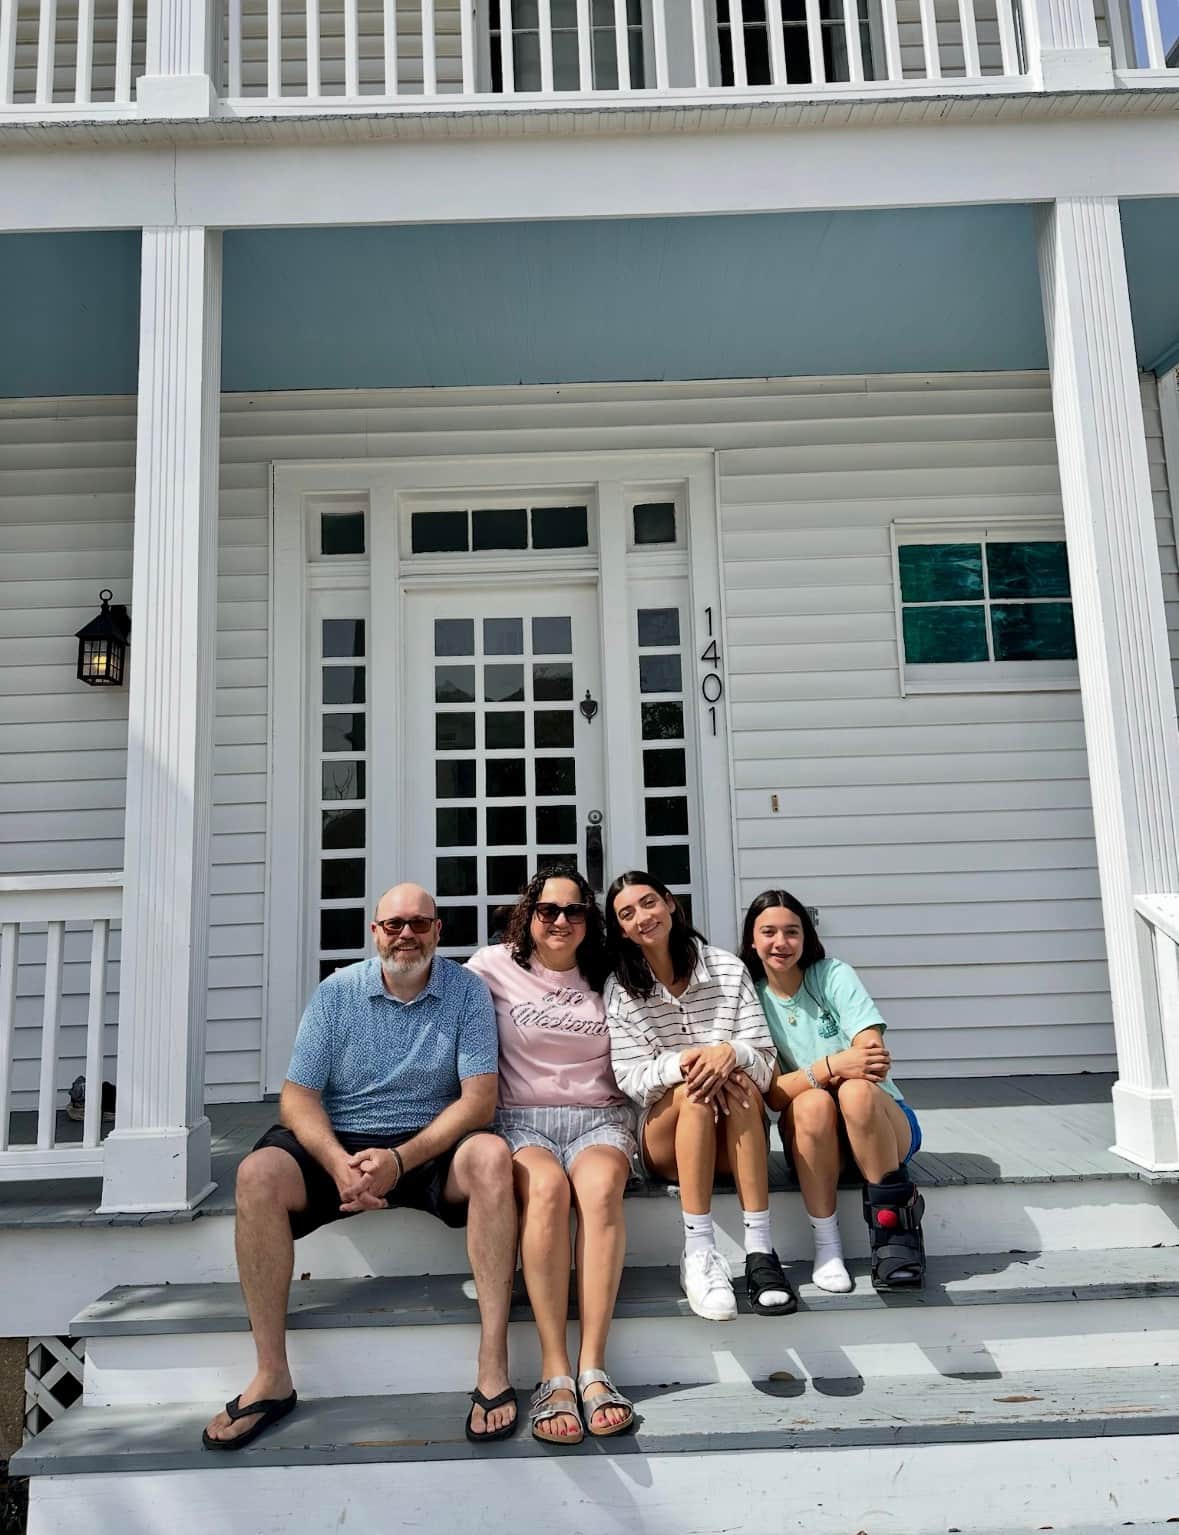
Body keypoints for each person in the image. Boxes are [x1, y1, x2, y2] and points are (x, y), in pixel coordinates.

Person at [202, 883, 519, 1451]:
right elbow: (297, 1098)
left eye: (420, 924)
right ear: (374, 931)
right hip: (342, 1141)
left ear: (438, 932)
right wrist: (336, 1161)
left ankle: (492, 1365)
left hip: (429, 1143)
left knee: (493, 1155)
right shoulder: (336, 994)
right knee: (256, 1175)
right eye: (394, 923)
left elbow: (478, 1102)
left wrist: (400, 1161)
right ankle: (272, 1375)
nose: (407, 934)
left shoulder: (467, 993)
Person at [466, 866, 636, 1446]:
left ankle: (593, 1369)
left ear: (591, 921)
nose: (561, 921)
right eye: (548, 910)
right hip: (521, 1121)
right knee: (546, 1190)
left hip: (598, 1119)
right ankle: (553, 1371)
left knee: (598, 1189)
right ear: (528, 916)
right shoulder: (492, 967)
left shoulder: (612, 973)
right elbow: (435, 1003)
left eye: (575, 911)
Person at [603, 870, 795, 1323]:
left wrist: (730, 1053)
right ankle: (700, 1251)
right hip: (666, 1143)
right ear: (622, 930)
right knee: (695, 1089)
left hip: (733, 1141)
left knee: (742, 1079)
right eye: (626, 914)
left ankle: (760, 1252)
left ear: (670, 903)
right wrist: (689, 1063)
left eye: (648, 903)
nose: (641, 918)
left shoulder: (728, 968)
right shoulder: (621, 987)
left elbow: (767, 1066)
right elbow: (629, 1078)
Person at [740, 889, 926, 1293]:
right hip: (815, 1137)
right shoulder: (750, 997)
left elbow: (872, 1056)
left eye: (792, 932)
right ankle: (828, 1248)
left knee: (855, 1093)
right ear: (752, 941)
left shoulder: (832, 973)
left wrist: (821, 1077)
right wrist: (832, 1066)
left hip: (882, 1125)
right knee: (811, 1104)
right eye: (768, 932)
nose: (780, 942)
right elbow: (773, 1093)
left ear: (806, 938)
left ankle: (895, 1235)